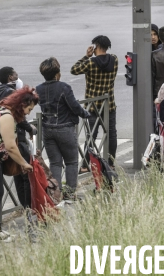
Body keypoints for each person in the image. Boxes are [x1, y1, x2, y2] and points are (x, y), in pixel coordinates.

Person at [0, 87, 36, 240]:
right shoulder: (7, 116)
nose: (28, 113)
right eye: (29, 108)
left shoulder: (0, 110)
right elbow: (10, 146)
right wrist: (24, 163)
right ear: (22, 104)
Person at [36, 57, 90, 201]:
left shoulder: (39, 89)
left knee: (55, 163)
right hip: (64, 128)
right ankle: (70, 193)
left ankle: (55, 195)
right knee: (71, 161)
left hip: (47, 130)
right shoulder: (64, 87)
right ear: (57, 73)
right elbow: (74, 106)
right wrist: (85, 113)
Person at [71, 35, 119, 168]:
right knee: (111, 134)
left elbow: (74, 69)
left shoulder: (90, 62)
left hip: (92, 106)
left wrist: (86, 56)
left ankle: (86, 164)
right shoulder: (114, 59)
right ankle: (110, 163)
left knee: (91, 135)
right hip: (109, 104)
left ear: (96, 46)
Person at [0, 66, 35, 210]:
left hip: (5, 141)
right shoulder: (11, 94)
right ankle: (29, 206)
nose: (18, 75)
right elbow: (18, 115)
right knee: (26, 173)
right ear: (10, 77)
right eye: (15, 73)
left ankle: (25, 206)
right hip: (16, 139)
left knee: (18, 174)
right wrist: (29, 128)